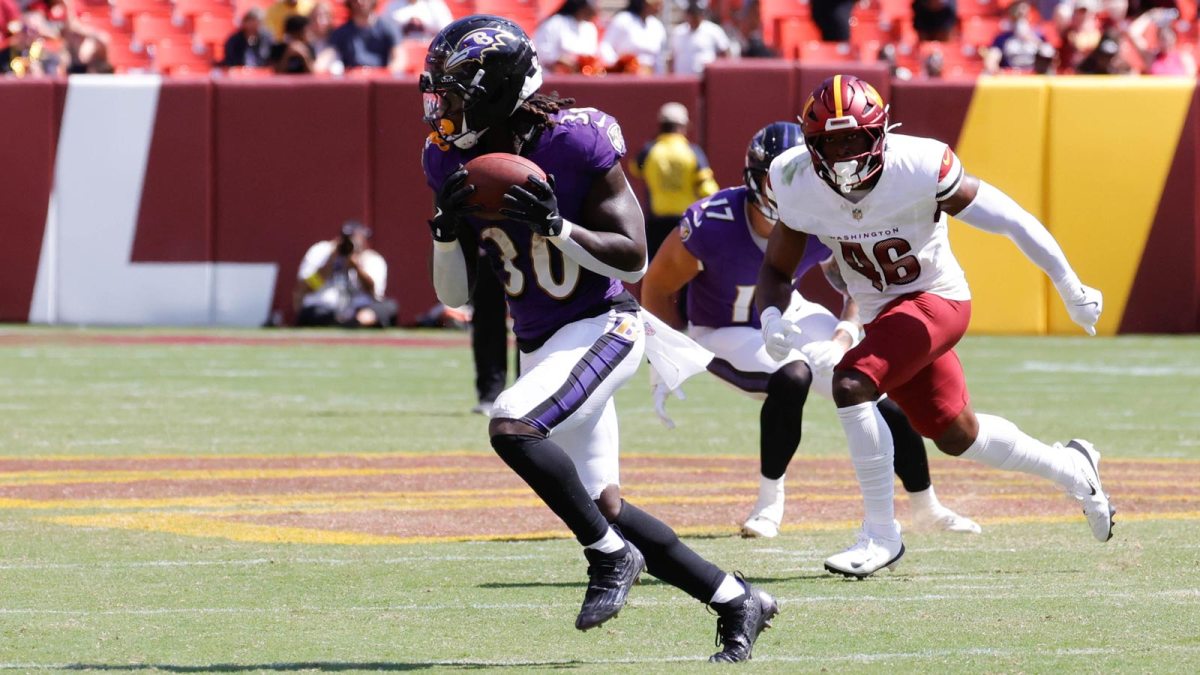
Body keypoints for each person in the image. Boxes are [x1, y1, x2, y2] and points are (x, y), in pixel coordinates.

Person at [422, 15, 777, 661]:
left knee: (512, 425)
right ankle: (734, 597)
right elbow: (454, 297)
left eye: (452, 92)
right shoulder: (444, 155)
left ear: (495, 88)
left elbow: (634, 257)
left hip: (603, 325)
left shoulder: (574, 139)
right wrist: (444, 231)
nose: (440, 106)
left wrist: (560, 228)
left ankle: (611, 559)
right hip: (541, 342)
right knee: (603, 502)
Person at [757, 75, 1115, 579]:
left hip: (937, 298)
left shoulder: (920, 165)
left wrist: (1070, 286)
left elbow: (1011, 218)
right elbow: (776, 270)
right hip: (885, 313)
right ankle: (1075, 470)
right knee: (956, 434)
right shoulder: (794, 181)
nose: (841, 157)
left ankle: (881, 535)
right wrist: (771, 315)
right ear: (810, 145)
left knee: (852, 382)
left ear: (879, 134)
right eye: (829, 142)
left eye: (852, 140)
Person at [641, 121, 980, 539]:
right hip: (721, 326)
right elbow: (658, 285)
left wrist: (845, 333)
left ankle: (926, 505)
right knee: (793, 374)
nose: (791, 189)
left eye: (801, 176)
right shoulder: (713, 222)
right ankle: (768, 505)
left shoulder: (823, 210)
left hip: (788, 313)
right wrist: (665, 353)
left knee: (880, 386)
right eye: (780, 180)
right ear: (754, 180)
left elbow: (859, 280)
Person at [630, 102, 718, 261]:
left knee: (654, 271)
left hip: (656, 222)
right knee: (685, 272)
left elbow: (635, 168)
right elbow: (708, 189)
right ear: (683, 126)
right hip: (685, 221)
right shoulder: (692, 152)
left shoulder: (650, 150)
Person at [294, 220, 397, 327]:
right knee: (314, 313)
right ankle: (342, 324)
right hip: (325, 308)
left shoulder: (372, 259)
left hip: (358, 310)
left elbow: (374, 292)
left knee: (388, 306)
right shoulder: (322, 252)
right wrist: (328, 265)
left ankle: (353, 323)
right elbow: (305, 288)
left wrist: (357, 267)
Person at [317, 0, 405, 74]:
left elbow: (399, 59)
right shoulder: (341, 32)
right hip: (352, 84)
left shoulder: (388, 27)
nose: (360, 2)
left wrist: (386, 75)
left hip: (379, 83)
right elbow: (324, 59)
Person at [533, 0, 603, 73]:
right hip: (553, 77)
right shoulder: (555, 23)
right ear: (581, 8)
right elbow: (542, 52)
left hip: (581, 78)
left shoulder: (590, 28)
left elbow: (591, 55)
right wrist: (563, 61)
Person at [599, 0, 666, 74]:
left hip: (650, 78)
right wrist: (618, 66)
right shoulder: (623, 19)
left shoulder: (657, 25)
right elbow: (606, 46)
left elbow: (659, 59)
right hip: (625, 77)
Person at [668, 0, 730, 75]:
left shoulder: (713, 30)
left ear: (701, 15)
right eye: (691, 15)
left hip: (705, 80)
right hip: (682, 79)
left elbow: (725, 53)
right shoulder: (678, 32)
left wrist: (720, 73)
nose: (693, 18)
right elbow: (673, 57)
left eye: (696, 15)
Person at [384, 0, 453, 41]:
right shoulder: (393, 5)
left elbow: (448, 31)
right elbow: (386, 32)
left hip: (430, 48)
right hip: (404, 50)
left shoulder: (435, 4)